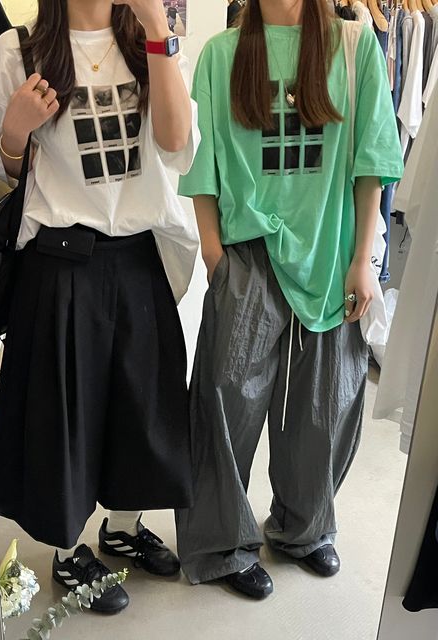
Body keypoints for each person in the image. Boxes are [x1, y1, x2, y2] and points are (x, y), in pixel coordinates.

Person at [176, 0, 403, 599]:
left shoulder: (354, 46)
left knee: (324, 404)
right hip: (247, 253)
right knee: (226, 401)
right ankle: (222, 544)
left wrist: (363, 259)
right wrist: (215, 256)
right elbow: (203, 165)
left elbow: (371, 163)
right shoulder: (222, 54)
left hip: (331, 252)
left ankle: (304, 528)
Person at [0, 0, 200, 614]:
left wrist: (157, 29)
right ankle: (66, 550)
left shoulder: (149, 43)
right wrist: (15, 132)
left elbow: (177, 145)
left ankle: (124, 528)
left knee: (143, 404)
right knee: (67, 415)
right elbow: (4, 171)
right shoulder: (19, 50)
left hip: (138, 253)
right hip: (60, 260)